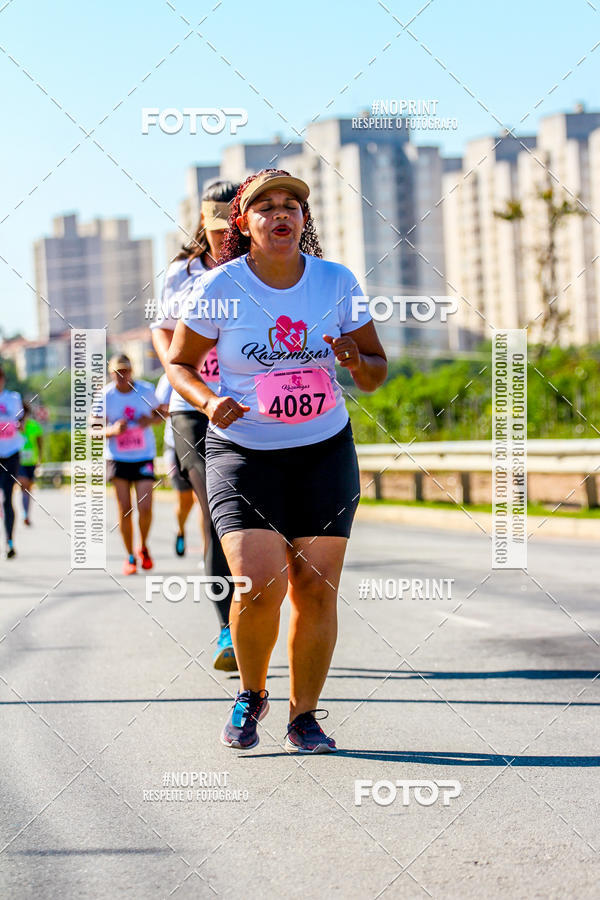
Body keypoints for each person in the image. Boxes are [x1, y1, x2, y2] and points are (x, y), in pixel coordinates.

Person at [167, 169, 387, 752]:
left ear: (303, 220)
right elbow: (179, 363)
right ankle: (252, 693)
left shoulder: (335, 281)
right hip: (245, 452)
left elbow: (374, 370)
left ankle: (304, 715)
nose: (281, 213)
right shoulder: (218, 287)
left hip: (323, 450)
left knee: (315, 590)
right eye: (265, 207)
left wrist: (354, 361)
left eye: (291, 204)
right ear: (243, 222)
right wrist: (211, 402)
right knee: (257, 586)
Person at [151, 179, 240, 671]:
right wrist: (177, 373)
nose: (226, 238)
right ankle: (227, 629)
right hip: (193, 409)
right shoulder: (181, 274)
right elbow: (162, 329)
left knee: (262, 521)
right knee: (216, 513)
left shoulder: (257, 269)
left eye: (234, 229)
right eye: (218, 228)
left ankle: (258, 609)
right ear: (203, 225)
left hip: (250, 405)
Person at [93, 354, 162, 575]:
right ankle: (130, 556)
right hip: (117, 457)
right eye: (117, 372)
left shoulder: (146, 391)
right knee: (124, 509)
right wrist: (112, 431)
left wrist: (149, 420)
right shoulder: (104, 396)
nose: (122, 376)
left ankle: (143, 546)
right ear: (111, 374)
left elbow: (162, 414)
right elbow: (93, 430)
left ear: (132, 371)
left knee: (145, 507)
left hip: (143, 455)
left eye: (126, 371)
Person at [155, 372, 198, 558]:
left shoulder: (213, 368)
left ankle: (210, 555)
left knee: (203, 500)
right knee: (184, 500)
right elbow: (156, 410)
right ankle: (180, 530)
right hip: (175, 446)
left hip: (203, 444)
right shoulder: (169, 376)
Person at [0, 365, 24, 559]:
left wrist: (18, 424)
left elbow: (21, 421)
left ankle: (9, 541)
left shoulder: (13, 398)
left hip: (11, 453)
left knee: (7, 498)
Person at [18, 401, 44, 526]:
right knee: (23, 483)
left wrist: (40, 459)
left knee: (27, 489)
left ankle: (26, 514)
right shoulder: (14, 426)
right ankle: (23, 513)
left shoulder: (34, 426)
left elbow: (40, 443)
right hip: (18, 461)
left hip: (31, 461)